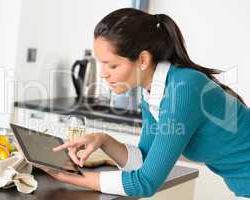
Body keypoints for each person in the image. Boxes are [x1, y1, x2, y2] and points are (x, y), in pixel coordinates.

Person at [35, 8, 250, 199]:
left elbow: (144, 184)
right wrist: (104, 140)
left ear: (143, 60)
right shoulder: (153, 92)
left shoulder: (182, 88)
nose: (103, 74)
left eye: (112, 65)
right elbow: (143, 162)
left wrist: (70, 177)